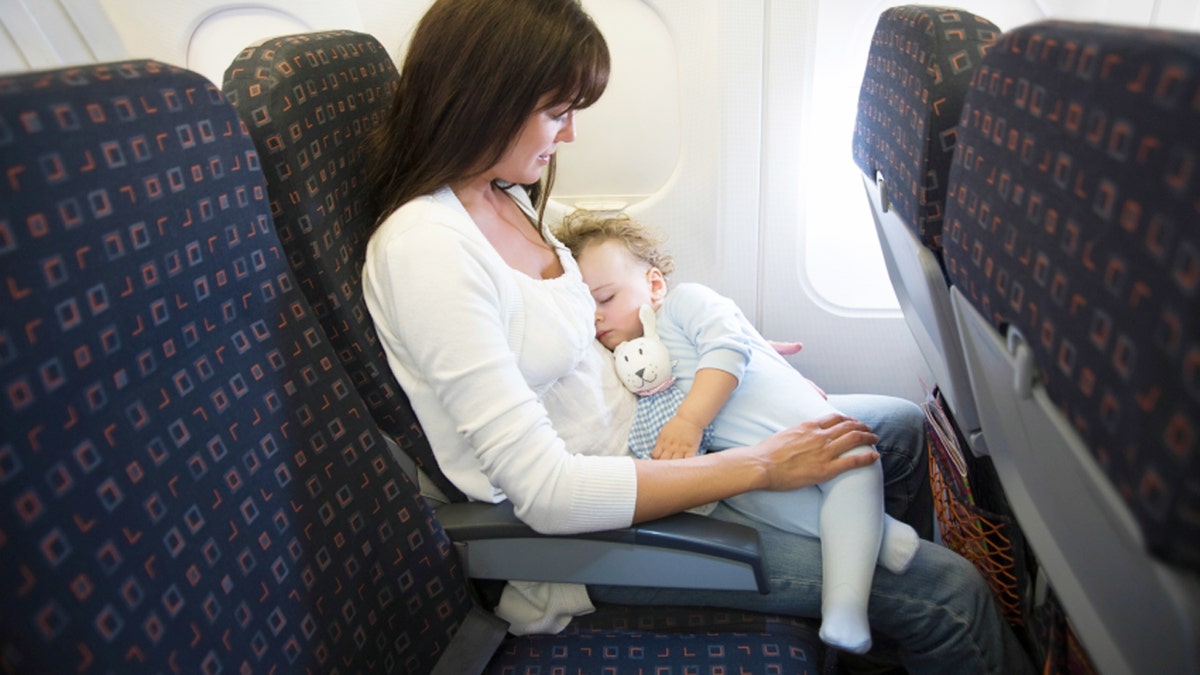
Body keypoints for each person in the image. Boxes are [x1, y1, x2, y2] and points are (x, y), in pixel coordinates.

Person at [361, 0, 1032, 672]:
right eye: (557, 110)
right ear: (488, 100)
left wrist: (737, 352)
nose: (568, 136)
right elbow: (547, 492)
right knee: (951, 593)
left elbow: (617, 294)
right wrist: (763, 463)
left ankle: (869, 644)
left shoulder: (504, 192)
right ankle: (899, 609)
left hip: (654, 437)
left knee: (898, 429)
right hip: (608, 526)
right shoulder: (428, 251)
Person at [557, 211, 920, 653]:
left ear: (654, 285)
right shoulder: (630, 354)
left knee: (855, 463)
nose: (595, 317)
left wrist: (689, 422)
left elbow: (727, 347)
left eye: (606, 297)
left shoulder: (685, 303)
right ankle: (877, 534)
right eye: (584, 306)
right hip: (745, 456)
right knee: (754, 497)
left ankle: (845, 607)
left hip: (799, 426)